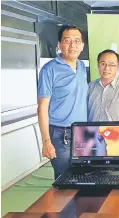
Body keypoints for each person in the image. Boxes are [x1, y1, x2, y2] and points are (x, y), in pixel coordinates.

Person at [37, 25, 87, 179]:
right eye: (67, 40)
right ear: (59, 44)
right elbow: (42, 107)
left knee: (83, 176)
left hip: (83, 133)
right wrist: (46, 141)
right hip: (60, 134)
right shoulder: (49, 70)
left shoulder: (82, 66)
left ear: (82, 46)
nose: (73, 45)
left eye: (77, 41)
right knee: (64, 178)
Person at [88, 49, 119, 122]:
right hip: (91, 132)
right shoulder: (90, 87)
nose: (106, 68)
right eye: (103, 64)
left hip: (116, 133)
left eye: (111, 65)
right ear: (98, 65)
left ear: (118, 67)